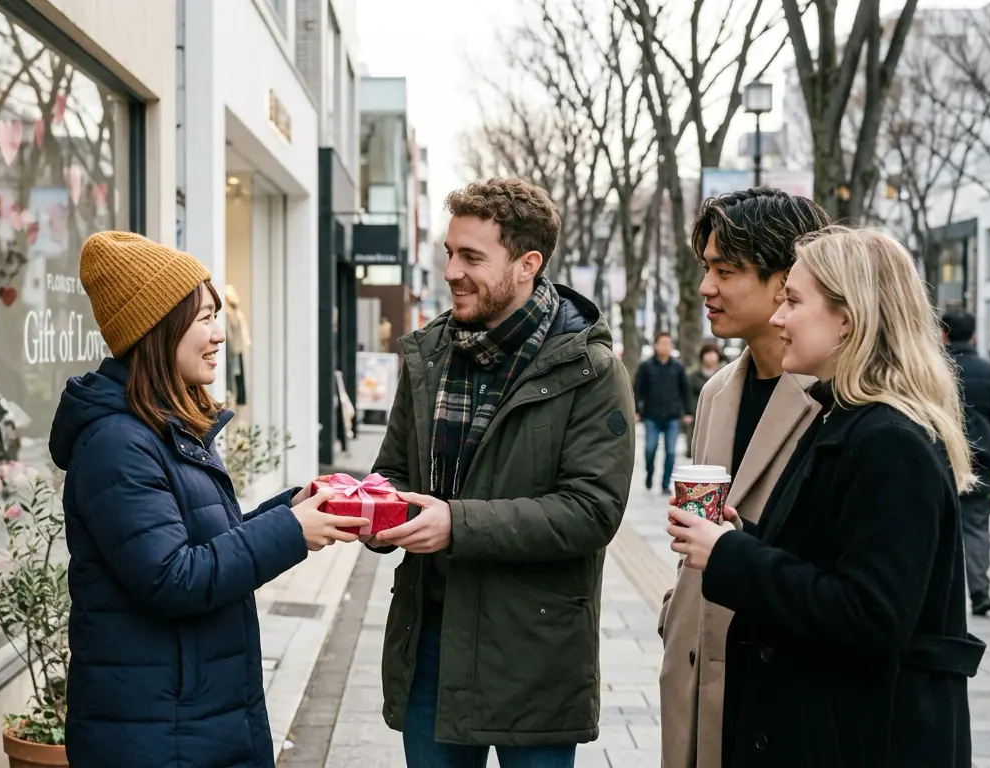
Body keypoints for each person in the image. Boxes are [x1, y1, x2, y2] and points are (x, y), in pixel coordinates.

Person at [667, 227, 984, 767]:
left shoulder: (889, 439)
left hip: (861, 740)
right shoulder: (843, 419)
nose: (778, 318)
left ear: (847, 317)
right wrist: (742, 538)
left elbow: (871, 614)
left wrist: (731, 555)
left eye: (793, 300)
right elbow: (829, 557)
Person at [48, 232, 363, 767]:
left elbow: (208, 540)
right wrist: (291, 533)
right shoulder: (117, 444)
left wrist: (293, 508)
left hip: (187, 715)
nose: (220, 334)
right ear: (156, 332)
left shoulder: (159, 427)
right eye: (203, 320)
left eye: (217, 316)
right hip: (158, 732)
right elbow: (174, 577)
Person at [367, 178, 635, 767]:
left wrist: (455, 526)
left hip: (534, 656)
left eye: (471, 257)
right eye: (448, 253)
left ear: (526, 264)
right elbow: (393, 472)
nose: (451, 271)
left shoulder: (590, 370)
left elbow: (592, 511)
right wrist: (367, 507)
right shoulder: (426, 355)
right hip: (430, 645)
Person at [658, 188, 830, 768]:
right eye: (706, 268)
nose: (706, 287)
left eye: (725, 270)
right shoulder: (715, 392)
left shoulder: (838, 405)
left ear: (788, 279)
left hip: (780, 691)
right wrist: (673, 614)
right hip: (693, 669)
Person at [941, 310, 990, 616]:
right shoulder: (989, 371)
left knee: (940, 525)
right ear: (972, 336)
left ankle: (941, 593)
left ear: (943, 334)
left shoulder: (936, 368)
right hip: (978, 458)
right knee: (977, 525)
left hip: (940, 456)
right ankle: (979, 589)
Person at [636, 332, 691, 492]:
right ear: (655, 345)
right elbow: (637, 389)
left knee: (671, 451)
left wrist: (687, 412)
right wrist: (636, 410)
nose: (665, 347)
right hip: (651, 415)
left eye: (668, 343)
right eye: (662, 343)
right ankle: (649, 474)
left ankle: (665, 483)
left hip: (672, 415)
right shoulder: (646, 366)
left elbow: (685, 390)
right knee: (650, 449)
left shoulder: (678, 367)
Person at [684, 343, 724, 458]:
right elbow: (689, 395)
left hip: (718, 413)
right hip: (697, 412)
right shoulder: (694, 376)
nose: (711, 357)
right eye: (708, 354)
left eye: (713, 354)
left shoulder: (724, 375)